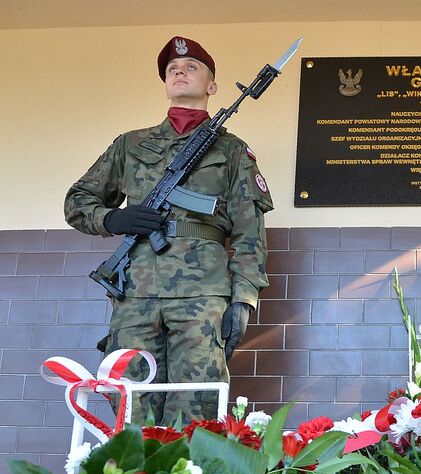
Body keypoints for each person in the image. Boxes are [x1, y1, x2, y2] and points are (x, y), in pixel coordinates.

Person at [65, 36, 273, 424]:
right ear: (165, 84)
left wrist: (244, 297)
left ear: (211, 86)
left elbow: (249, 230)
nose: (180, 71)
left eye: (192, 67)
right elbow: (78, 201)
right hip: (136, 291)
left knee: (197, 403)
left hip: (203, 293)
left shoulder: (232, 151)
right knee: (128, 397)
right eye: (173, 69)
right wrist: (113, 220)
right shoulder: (130, 144)